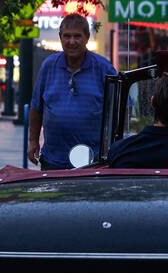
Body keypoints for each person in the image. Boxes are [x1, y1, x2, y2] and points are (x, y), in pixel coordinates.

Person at [27, 13, 116, 170]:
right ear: (60, 37)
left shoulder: (104, 68)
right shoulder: (49, 66)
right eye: (67, 36)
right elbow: (36, 107)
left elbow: (122, 109)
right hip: (53, 160)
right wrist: (33, 141)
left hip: (92, 161)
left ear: (87, 37)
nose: (71, 41)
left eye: (77, 36)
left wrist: (111, 147)